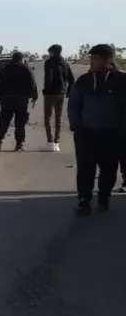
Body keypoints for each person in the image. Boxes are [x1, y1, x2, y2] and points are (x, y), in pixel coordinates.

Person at [67, 44, 125, 215]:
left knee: (109, 168)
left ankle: (104, 197)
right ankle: (84, 200)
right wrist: (76, 126)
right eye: (91, 59)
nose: (92, 62)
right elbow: (74, 105)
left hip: (112, 134)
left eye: (96, 59)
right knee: (85, 168)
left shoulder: (121, 81)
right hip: (86, 133)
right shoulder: (84, 81)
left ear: (108, 60)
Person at [0, 51, 38, 152]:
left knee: (4, 121)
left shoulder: (6, 68)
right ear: (22, 59)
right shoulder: (25, 68)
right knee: (20, 122)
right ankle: (19, 144)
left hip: (7, 99)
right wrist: (34, 96)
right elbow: (32, 83)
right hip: (21, 99)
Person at [42, 43, 75, 152]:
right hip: (61, 93)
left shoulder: (49, 63)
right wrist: (68, 92)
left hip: (50, 93)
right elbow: (71, 79)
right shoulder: (65, 63)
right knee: (58, 118)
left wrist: (45, 90)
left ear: (53, 52)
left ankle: (50, 142)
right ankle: (57, 142)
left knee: (47, 117)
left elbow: (48, 78)